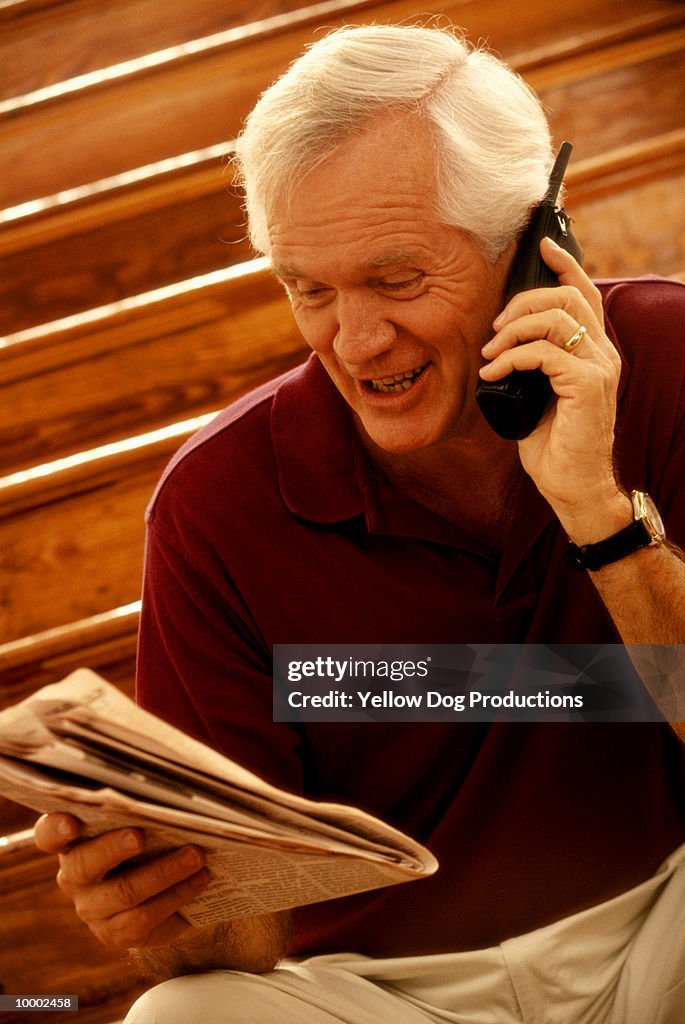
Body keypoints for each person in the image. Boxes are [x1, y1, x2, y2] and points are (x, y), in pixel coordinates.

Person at [35, 23, 685, 1024]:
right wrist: (164, 898)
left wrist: (594, 512)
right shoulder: (217, 504)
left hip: (663, 921)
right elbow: (240, 947)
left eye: (395, 279)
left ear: (529, 246)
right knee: (180, 1016)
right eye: (311, 290)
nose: (357, 340)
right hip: (390, 994)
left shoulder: (666, 353)